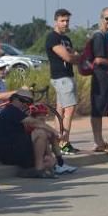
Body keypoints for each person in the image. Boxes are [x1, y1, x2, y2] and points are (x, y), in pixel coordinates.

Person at [0, 89, 75, 178]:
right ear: (14, 100)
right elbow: (35, 123)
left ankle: (59, 163)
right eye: (23, 101)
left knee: (47, 138)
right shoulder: (11, 111)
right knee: (40, 133)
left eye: (29, 102)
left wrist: (52, 132)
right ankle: (39, 168)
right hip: (9, 153)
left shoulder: (17, 112)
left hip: (17, 149)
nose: (25, 104)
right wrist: (56, 132)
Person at [44, 8, 81, 154]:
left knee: (60, 111)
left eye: (67, 21)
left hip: (68, 75)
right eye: (62, 21)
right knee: (69, 109)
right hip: (61, 77)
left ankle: (57, 142)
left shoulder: (66, 39)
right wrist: (76, 57)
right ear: (56, 21)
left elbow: (75, 55)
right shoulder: (53, 38)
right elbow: (69, 57)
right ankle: (64, 143)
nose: (65, 23)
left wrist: (76, 57)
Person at [89, 7, 108, 153]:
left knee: (107, 108)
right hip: (100, 77)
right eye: (107, 18)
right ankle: (98, 141)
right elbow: (99, 59)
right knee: (97, 110)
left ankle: (105, 140)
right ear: (101, 19)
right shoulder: (99, 36)